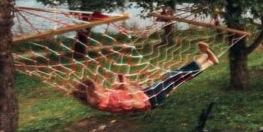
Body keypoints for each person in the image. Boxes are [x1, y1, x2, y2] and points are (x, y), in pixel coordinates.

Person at [72, 42, 218, 112]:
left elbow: (121, 93)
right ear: (94, 93)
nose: (100, 85)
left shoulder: (103, 101)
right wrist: (128, 85)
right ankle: (205, 57)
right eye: (97, 86)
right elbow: (139, 104)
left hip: (147, 93)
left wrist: (121, 82)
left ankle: (208, 59)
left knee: (176, 77)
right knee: (177, 76)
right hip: (151, 98)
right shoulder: (111, 101)